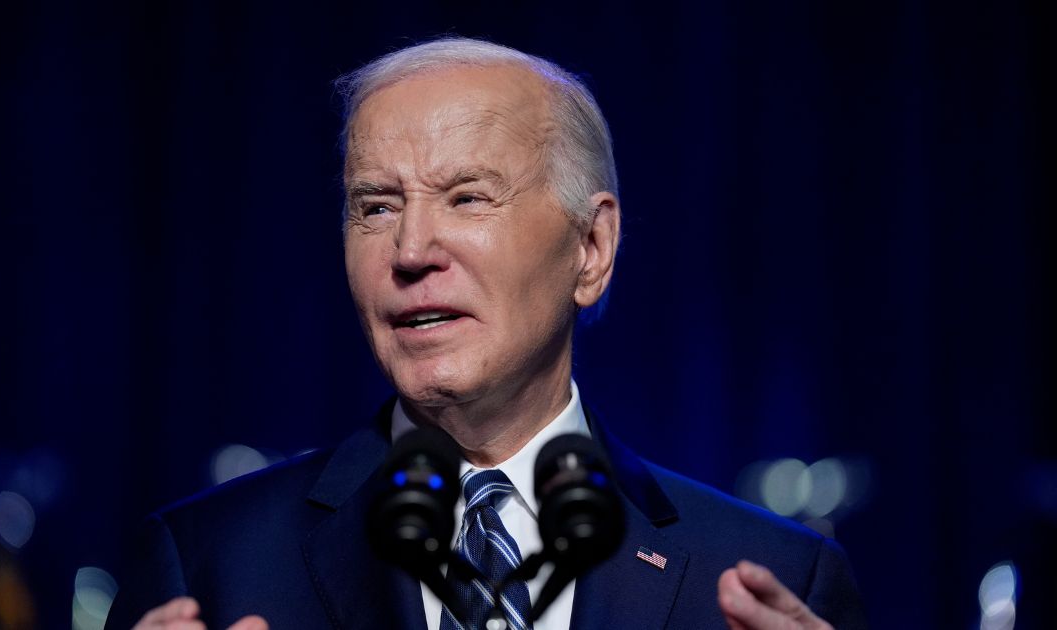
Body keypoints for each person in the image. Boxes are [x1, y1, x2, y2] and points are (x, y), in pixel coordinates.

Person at [105, 37, 866, 630]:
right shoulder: (211, 563)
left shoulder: (768, 576)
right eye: (375, 206)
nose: (409, 251)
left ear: (591, 249)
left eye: (467, 199)